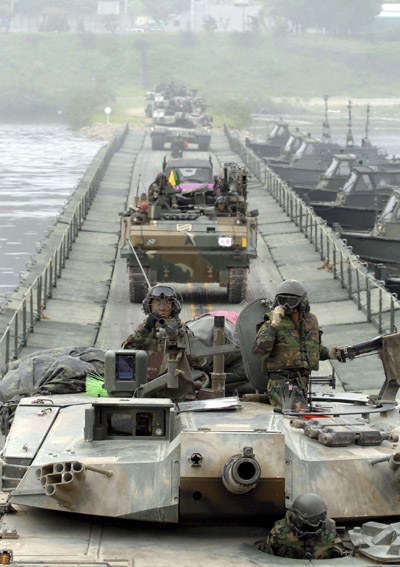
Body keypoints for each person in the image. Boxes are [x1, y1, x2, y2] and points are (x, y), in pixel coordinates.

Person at [252, 280, 342, 410]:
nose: (287, 305)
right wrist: (273, 324)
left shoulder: (310, 321)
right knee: (300, 411)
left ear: (302, 302)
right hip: (281, 383)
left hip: (302, 384)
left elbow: (312, 349)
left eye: (292, 301)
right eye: (283, 300)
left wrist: (328, 354)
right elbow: (258, 351)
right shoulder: (272, 324)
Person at [121, 285, 183, 380]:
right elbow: (125, 352)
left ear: (173, 306)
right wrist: (145, 330)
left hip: (176, 379)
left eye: (167, 303)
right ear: (149, 305)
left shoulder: (181, 328)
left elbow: (197, 360)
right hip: (146, 380)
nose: (162, 308)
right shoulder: (143, 329)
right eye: (158, 303)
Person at [260, 493, 346, 559]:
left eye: (321, 517)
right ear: (299, 519)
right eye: (314, 519)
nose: (319, 521)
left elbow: (340, 557)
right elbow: (265, 558)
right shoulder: (279, 531)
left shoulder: (329, 529)